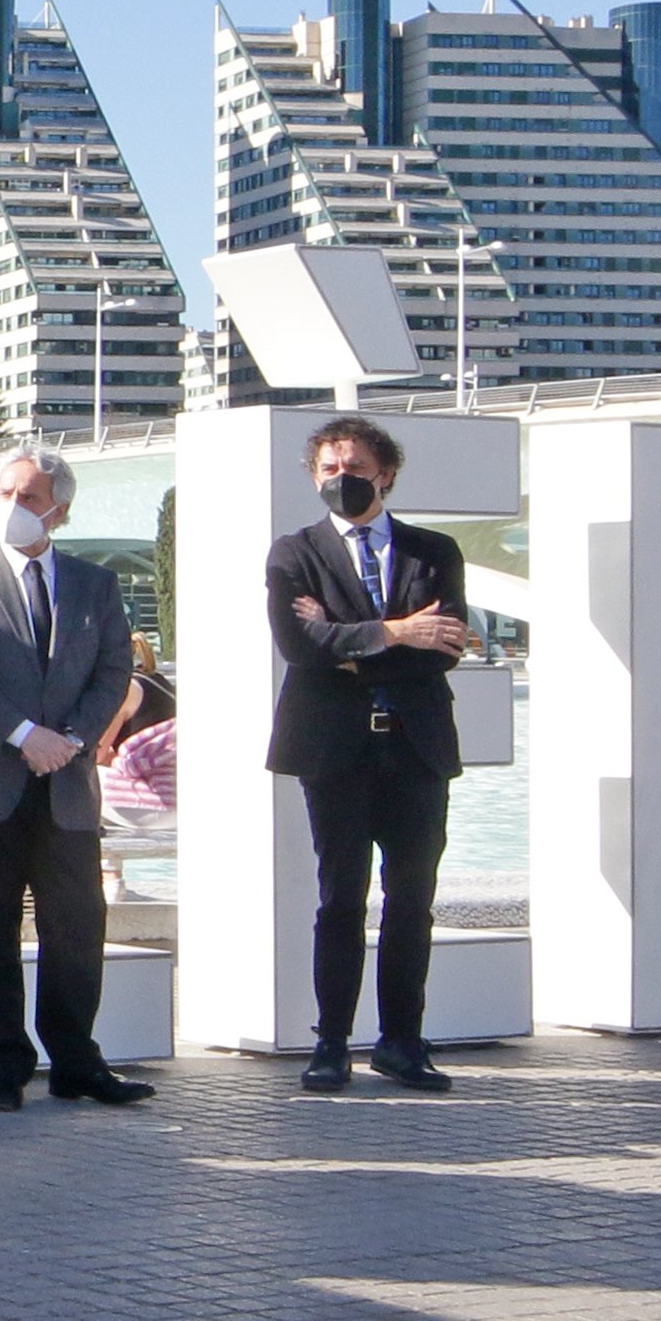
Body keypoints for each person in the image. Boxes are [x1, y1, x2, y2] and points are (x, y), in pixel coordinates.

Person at [0, 443, 147, 1111]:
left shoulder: (96, 585)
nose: (16, 507)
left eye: (31, 498)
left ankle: (77, 1060)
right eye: (8, 494)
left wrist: (72, 739)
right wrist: (24, 735)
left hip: (67, 782)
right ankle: (2, 1064)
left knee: (76, 925)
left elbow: (113, 672)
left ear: (61, 511)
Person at [265, 413, 472, 1092]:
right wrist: (397, 632)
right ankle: (331, 1043)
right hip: (335, 751)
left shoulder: (432, 551)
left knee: (413, 898)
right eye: (328, 469)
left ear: (385, 473)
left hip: (416, 748)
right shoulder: (294, 554)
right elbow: (299, 648)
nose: (340, 480)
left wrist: (352, 644)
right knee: (340, 899)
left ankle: (402, 1042)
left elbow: (444, 648)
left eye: (353, 468)